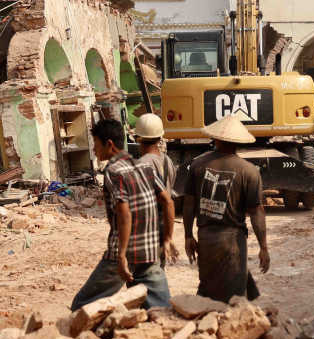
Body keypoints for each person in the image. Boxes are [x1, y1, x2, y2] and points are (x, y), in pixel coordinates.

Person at [71, 118, 174, 311]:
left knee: (82, 306)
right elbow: (168, 201)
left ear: (109, 144)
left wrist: (121, 256)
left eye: (96, 144)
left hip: (123, 253)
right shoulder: (143, 166)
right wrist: (167, 238)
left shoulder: (113, 170)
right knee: (160, 309)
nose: (94, 150)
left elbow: (124, 213)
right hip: (150, 252)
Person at [182, 113, 270, 302]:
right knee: (234, 296)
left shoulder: (197, 165)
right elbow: (257, 212)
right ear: (238, 142)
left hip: (205, 238)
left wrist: (188, 235)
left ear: (215, 138)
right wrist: (263, 247)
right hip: (232, 242)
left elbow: (188, 203)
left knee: (209, 285)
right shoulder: (249, 171)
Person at [132, 113, 179, 267]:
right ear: (160, 138)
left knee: (144, 277)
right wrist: (168, 237)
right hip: (163, 224)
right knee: (158, 272)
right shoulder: (168, 161)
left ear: (138, 139)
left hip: (147, 228)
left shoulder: (141, 164)